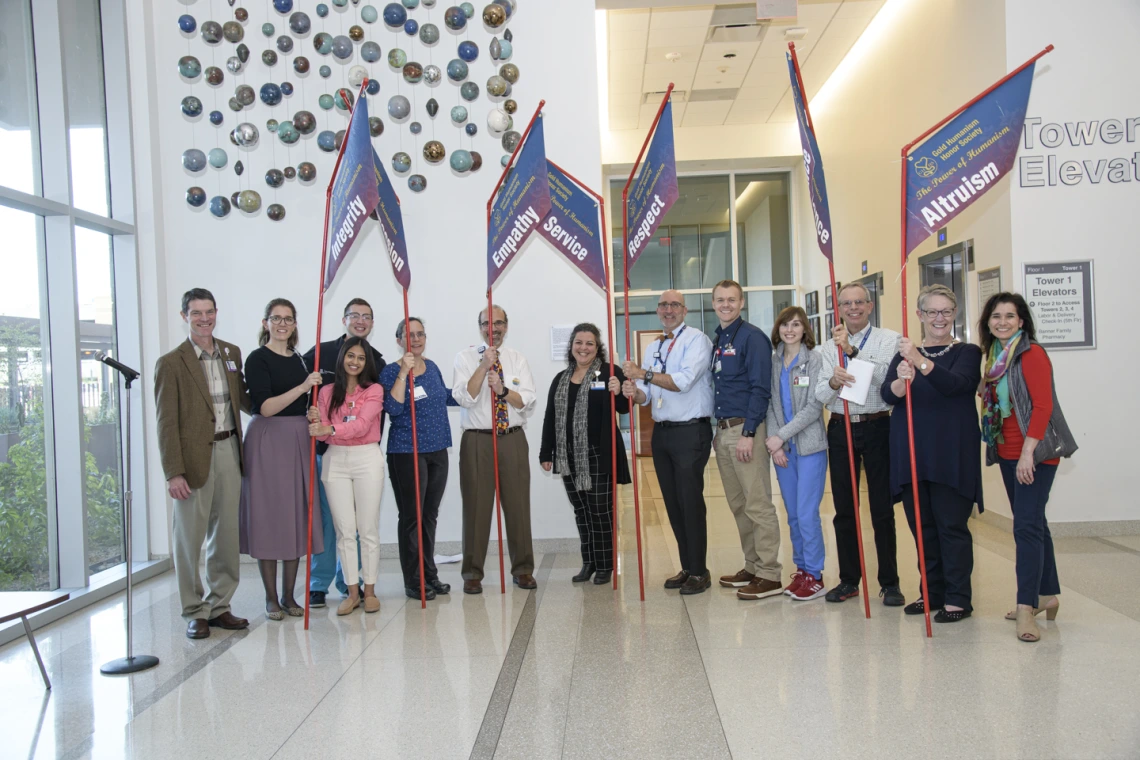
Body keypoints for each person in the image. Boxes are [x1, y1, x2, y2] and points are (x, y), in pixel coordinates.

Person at [978, 292, 1077, 642]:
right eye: (996, 316)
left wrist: (1028, 454)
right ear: (988, 322)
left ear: (1022, 321)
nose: (1002, 321)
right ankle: (1046, 594)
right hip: (1006, 450)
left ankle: (1025, 608)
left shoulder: (1031, 353)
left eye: (1010, 316)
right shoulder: (992, 358)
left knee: (1025, 527)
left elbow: (1043, 405)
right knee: (1034, 522)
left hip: (1034, 452)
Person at [155, 288, 252, 640]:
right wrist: (173, 472)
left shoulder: (231, 353)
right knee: (189, 538)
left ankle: (220, 605)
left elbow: (246, 400)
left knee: (225, 535)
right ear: (184, 316)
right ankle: (194, 610)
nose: (204, 319)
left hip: (229, 451)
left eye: (209, 312)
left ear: (216, 312)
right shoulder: (171, 362)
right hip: (193, 458)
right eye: (196, 313)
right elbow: (166, 423)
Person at [882, 285, 983, 623]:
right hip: (913, 452)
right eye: (931, 312)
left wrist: (920, 361)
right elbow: (889, 394)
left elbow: (957, 385)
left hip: (951, 454)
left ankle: (957, 598)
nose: (939, 318)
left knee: (951, 526)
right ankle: (932, 592)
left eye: (946, 312)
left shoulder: (967, 351)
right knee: (922, 528)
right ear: (920, 315)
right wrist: (901, 378)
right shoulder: (905, 354)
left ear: (954, 314)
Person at [815, 282, 905, 607]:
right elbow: (821, 397)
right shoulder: (827, 348)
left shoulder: (888, 339)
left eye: (859, 302)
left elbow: (886, 379)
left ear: (869, 306)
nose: (853, 308)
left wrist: (854, 353)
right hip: (841, 428)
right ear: (840, 308)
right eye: (846, 303)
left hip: (878, 424)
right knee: (844, 510)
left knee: (881, 509)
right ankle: (849, 580)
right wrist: (832, 381)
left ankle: (890, 582)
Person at [622, 290, 715, 595]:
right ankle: (687, 567)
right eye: (663, 305)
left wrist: (642, 373)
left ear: (684, 310)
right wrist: (632, 390)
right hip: (662, 433)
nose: (668, 309)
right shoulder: (654, 346)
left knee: (690, 502)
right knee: (673, 505)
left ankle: (700, 571)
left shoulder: (696, 341)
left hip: (690, 433)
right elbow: (646, 394)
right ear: (658, 311)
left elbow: (682, 382)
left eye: (674, 304)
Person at [240, 298, 324, 621]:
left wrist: (310, 409)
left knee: (294, 518)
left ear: (295, 324)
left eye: (288, 319)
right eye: (276, 318)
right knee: (269, 517)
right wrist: (304, 388)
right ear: (265, 323)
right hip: (268, 441)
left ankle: (290, 596)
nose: (282, 324)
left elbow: (301, 404)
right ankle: (271, 597)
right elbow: (265, 407)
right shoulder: (257, 359)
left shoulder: (300, 361)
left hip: (297, 440)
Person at [303, 299, 387, 609]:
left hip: (366, 457)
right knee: (340, 529)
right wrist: (316, 420)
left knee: (366, 529)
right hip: (334, 460)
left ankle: (369, 591)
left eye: (360, 357)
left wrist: (330, 429)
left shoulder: (375, 382)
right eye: (349, 356)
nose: (355, 361)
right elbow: (321, 420)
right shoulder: (325, 386)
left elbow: (364, 425)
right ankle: (342, 590)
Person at [452, 305, 538, 594]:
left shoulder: (517, 359)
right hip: (477, 440)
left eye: (499, 323)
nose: (493, 328)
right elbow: (465, 396)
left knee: (518, 506)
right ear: (480, 327)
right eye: (487, 323)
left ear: (506, 325)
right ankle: (472, 573)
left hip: (511, 438)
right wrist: (483, 365)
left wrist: (502, 389)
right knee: (476, 507)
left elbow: (526, 400)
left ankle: (523, 569)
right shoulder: (464, 358)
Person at [539, 323, 631, 586]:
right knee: (581, 511)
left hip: (599, 455)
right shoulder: (561, 378)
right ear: (571, 346)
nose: (583, 348)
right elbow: (550, 417)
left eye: (589, 343)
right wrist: (546, 452)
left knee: (601, 511)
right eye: (579, 342)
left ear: (597, 346)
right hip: (568, 457)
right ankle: (588, 562)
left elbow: (625, 408)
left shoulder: (610, 372)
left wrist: (618, 389)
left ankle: (605, 565)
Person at [708, 280, 783, 600]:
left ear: (741, 303)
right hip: (724, 430)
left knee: (757, 503)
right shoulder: (720, 337)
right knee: (739, 505)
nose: (725, 304)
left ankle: (769, 573)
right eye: (720, 300)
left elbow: (760, 389)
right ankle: (752, 565)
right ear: (713, 303)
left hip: (745, 430)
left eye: (731, 300)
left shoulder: (752, 337)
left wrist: (749, 434)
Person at [379, 317, 459, 601]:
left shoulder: (433, 366)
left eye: (420, 334)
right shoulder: (390, 372)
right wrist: (403, 372)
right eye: (409, 335)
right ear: (399, 340)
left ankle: (430, 574)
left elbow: (445, 397)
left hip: (438, 450)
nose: (416, 339)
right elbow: (394, 407)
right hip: (406, 453)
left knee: (429, 516)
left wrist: (473, 393)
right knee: (411, 518)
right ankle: (413, 581)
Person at [765, 306, 828, 601]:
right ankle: (802, 570)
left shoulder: (814, 360)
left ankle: (815, 575)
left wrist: (781, 436)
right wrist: (776, 443)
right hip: (783, 452)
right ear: (778, 329)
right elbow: (770, 403)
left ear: (805, 329)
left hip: (810, 447)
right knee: (792, 516)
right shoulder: (774, 361)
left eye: (796, 324)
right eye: (785, 325)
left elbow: (814, 408)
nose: (790, 330)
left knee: (806, 514)